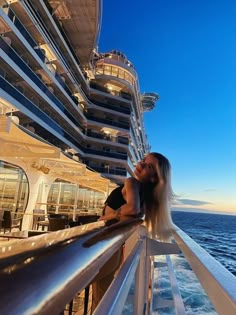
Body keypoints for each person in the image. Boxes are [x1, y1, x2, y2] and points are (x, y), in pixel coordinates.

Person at [91, 152, 174, 312]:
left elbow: (133, 209)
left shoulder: (131, 183)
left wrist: (109, 215)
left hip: (102, 249)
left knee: (58, 290)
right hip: (113, 251)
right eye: (143, 161)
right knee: (100, 302)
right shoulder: (145, 195)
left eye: (148, 166)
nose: (141, 165)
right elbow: (137, 214)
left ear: (154, 177)